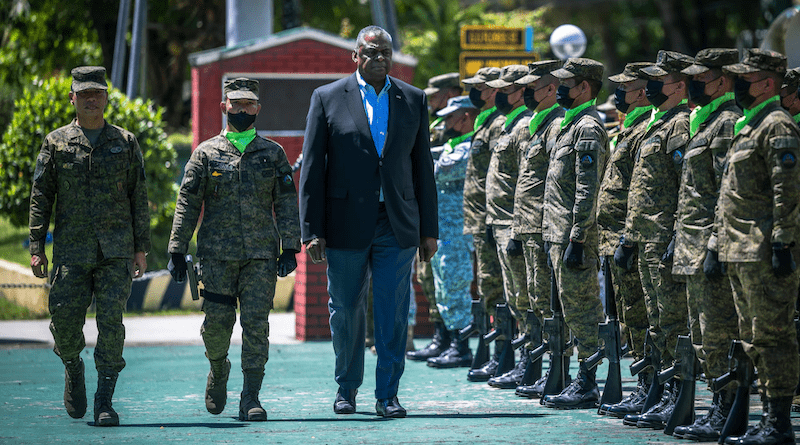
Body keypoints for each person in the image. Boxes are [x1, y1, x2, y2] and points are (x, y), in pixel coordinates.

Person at [298, 25, 438, 419]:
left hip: (397, 223)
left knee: (393, 310)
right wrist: (312, 230)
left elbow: (422, 168)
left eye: (386, 53)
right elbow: (311, 169)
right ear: (355, 57)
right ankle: (347, 388)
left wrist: (430, 229)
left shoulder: (413, 99)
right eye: (372, 52)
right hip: (344, 223)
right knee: (344, 309)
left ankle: (388, 394)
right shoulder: (326, 97)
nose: (380, 58)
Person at [168, 77, 300, 421]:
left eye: (248, 104)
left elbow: (286, 202)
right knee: (216, 327)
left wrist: (290, 247)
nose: (242, 109)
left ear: (257, 108)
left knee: (257, 326)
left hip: (260, 256)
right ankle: (218, 368)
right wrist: (176, 249)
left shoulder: (273, 154)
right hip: (216, 257)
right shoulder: (206, 153)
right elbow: (187, 202)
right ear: (224, 106)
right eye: (235, 103)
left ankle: (250, 397)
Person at [29, 66, 150, 426]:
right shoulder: (56, 143)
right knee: (64, 324)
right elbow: (41, 196)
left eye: (97, 93)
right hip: (72, 251)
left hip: (115, 251)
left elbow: (138, 197)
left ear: (106, 98)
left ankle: (105, 400)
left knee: (111, 325)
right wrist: (37, 244)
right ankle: (73, 367)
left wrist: (140, 248)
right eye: (84, 94)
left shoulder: (124, 142)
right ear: (73, 99)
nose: (92, 100)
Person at [712, 48, 800, 445]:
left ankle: (779, 422)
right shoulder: (750, 125)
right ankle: (765, 418)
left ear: (767, 83)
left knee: (772, 336)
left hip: (764, 251)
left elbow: (788, 191)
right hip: (739, 250)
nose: (737, 85)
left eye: (745, 79)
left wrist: (784, 243)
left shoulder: (778, 126)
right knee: (751, 338)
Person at [615, 50, 694, 429]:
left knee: (674, 321)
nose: (650, 87)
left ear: (679, 85)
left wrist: (677, 234)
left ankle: (679, 394)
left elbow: (686, 186)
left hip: (663, 239)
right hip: (644, 238)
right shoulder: (655, 123)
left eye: (658, 80)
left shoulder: (679, 125)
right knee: (657, 322)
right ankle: (662, 391)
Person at [667, 48, 742, 441]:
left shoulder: (726, 123)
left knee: (716, 331)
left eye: (702, 76)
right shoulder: (707, 122)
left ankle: (728, 405)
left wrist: (714, 244)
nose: (693, 83)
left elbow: (725, 193)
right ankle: (719, 403)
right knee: (700, 331)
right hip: (691, 245)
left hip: (708, 247)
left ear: (722, 80)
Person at [539, 58, 608, 410]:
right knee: (569, 308)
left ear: (584, 87)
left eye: (567, 83)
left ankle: (589, 381)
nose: (560, 88)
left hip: (572, 236)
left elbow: (587, 188)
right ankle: (579, 376)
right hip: (556, 233)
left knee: (582, 310)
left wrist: (578, 236)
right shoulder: (567, 126)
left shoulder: (587, 128)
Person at [597, 62, 655, 417]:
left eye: (626, 87)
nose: (618, 93)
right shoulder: (631, 129)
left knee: (647, 318)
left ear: (642, 91)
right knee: (632, 317)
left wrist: (628, 238)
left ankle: (657, 388)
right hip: (618, 239)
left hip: (636, 239)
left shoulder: (646, 129)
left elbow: (642, 192)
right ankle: (647, 386)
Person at [507, 60, 566, 398]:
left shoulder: (555, 126)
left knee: (549, 303)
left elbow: (556, 185)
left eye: (532, 86)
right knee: (535, 301)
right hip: (527, 228)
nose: (525, 92)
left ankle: (557, 370)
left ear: (548, 89)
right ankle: (542, 366)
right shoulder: (536, 126)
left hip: (544, 229)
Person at [484, 64, 535, 389]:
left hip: (514, 225)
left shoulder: (525, 126)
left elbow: (526, 184)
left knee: (526, 297)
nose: (499, 95)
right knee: (516, 297)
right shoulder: (510, 125)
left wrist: (516, 227)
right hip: (500, 222)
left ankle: (531, 361)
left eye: (506, 90)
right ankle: (522, 360)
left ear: (521, 91)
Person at [459, 67, 507, 382]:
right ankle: (496, 351)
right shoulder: (484, 122)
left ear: (492, 91)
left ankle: (504, 353)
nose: (474, 92)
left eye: (479, 87)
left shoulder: (499, 124)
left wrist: (491, 218)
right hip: (479, 220)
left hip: (493, 220)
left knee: (497, 288)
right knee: (487, 287)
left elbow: (499, 177)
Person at [425, 96, 480, 369]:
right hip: (441, 228)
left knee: (456, 284)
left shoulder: (469, 147)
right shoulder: (451, 145)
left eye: (450, 117)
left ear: (465, 118)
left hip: (457, 229)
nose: (444, 122)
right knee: (443, 284)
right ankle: (449, 339)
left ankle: (462, 346)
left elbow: (438, 171)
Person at [426, 72, 463, 146]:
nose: (430, 101)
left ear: (451, 94)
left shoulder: (457, 120)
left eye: (434, 96)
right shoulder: (442, 120)